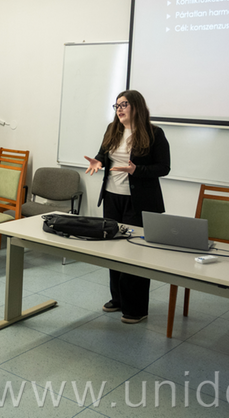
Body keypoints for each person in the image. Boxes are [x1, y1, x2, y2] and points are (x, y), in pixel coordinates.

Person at [85, 90, 170, 324]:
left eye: (124, 105)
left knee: (134, 252)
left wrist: (136, 170)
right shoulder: (112, 129)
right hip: (112, 198)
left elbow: (163, 167)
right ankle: (119, 299)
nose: (119, 109)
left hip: (139, 202)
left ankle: (136, 308)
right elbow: (104, 154)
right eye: (116, 106)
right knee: (113, 248)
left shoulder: (154, 133)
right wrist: (99, 160)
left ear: (136, 106)